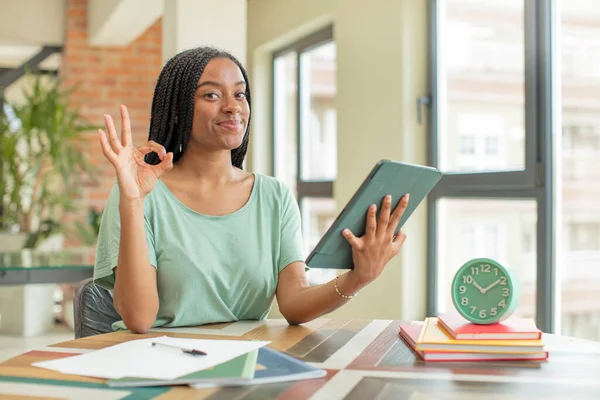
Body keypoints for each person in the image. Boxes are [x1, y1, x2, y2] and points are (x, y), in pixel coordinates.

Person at [93, 46, 409, 334]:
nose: (233, 107)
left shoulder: (274, 197)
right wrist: (133, 202)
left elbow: (294, 302)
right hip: (157, 364)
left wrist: (359, 277)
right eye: (211, 96)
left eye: (240, 95)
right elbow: (139, 318)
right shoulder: (138, 193)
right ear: (177, 110)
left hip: (245, 365)